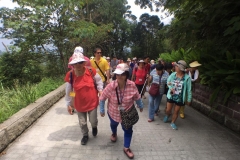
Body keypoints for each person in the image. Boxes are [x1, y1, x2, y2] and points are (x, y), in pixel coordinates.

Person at [99, 63, 143, 159]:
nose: (119, 76)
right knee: (113, 124)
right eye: (117, 74)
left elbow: (137, 97)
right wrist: (101, 109)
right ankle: (114, 133)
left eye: (122, 74)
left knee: (128, 130)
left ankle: (126, 148)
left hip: (127, 113)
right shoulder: (111, 86)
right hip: (113, 112)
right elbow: (102, 98)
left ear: (127, 75)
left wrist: (140, 105)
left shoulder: (132, 85)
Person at [65, 47, 103, 145]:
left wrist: (100, 90)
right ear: (72, 64)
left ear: (84, 63)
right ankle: (85, 135)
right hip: (79, 103)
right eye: (75, 63)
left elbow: (99, 81)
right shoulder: (70, 75)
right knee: (82, 123)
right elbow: (69, 90)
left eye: (80, 62)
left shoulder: (91, 71)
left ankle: (94, 127)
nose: (78, 65)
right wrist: (69, 103)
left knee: (93, 121)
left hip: (92, 101)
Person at [163, 60, 192, 130]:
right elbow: (168, 82)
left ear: (180, 68)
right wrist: (171, 88)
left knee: (176, 111)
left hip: (180, 97)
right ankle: (167, 115)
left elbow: (189, 90)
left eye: (176, 66)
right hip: (171, 95)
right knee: (168, 109)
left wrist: (189, 99)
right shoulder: (173, 74)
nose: (175, 67)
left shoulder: (187, 78)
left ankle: (173, 122)